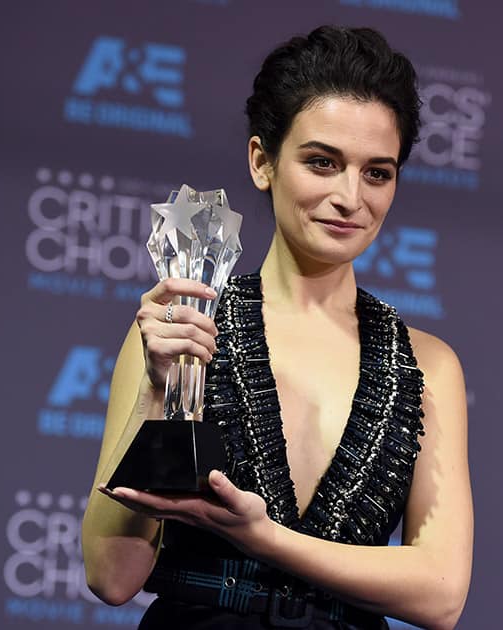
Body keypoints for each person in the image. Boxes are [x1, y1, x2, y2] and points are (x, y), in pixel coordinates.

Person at [81, 25, 473, 630]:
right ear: (263, 162)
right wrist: (157, 393)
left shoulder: (425, 365)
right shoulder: (182, 329)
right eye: (323, 162)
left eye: (377, 172)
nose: (351, 197)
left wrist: (267, 540)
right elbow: (111, 575)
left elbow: (442, 594)